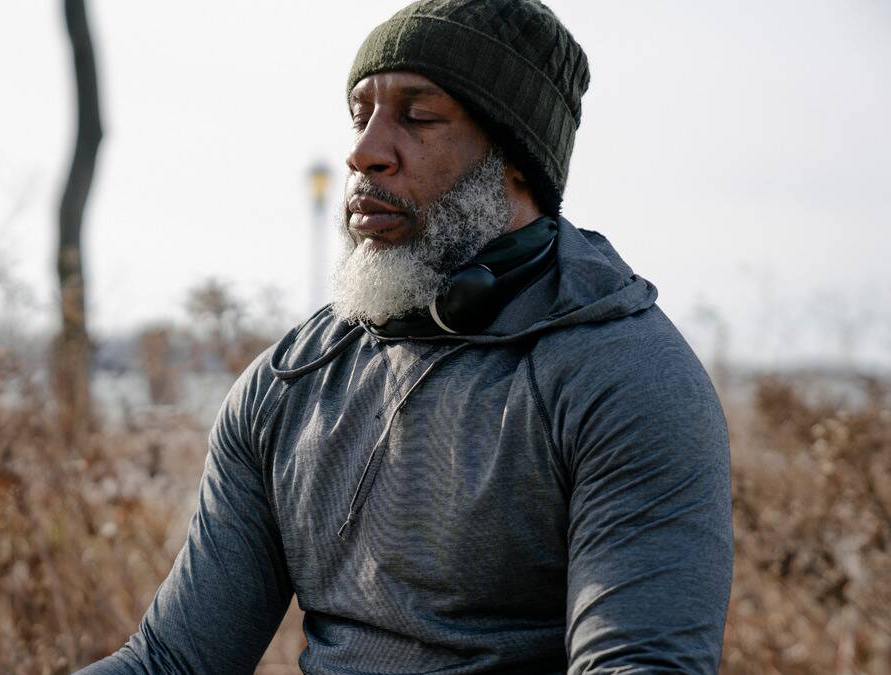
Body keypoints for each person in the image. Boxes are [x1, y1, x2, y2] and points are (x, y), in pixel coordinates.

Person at [76, 0, 733, 672]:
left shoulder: (626, 379)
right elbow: (174, 659)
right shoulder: (288, 383)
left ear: (515, 159)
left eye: (417, 117)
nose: (364, 152)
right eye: (361, 116)